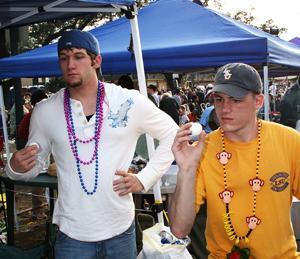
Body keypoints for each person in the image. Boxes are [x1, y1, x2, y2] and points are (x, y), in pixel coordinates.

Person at [5, 30, 178, 259]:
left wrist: (145, 178)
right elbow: (35, 164)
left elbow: (173, 134)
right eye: (64, 57)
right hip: (71, 235)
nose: (70, 64)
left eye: (78, 56)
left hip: (120, 230)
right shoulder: (46, 110)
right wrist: (15, 167)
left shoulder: (127, 100)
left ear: (96, 61)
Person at [169, 63, 300, 258]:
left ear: (258, 101)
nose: (225, 108)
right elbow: (179, 229)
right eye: (219, 99)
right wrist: (186, 169)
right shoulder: (203, 149)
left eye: (236, 100)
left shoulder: (289, 140)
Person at [17, 89, 48, 219]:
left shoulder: (45, 114)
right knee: (37, 180)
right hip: (33, 150)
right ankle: (37, 210)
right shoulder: (32, 116)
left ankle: (46, 206)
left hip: (47, 150)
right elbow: (22, 134)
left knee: (47, 179)